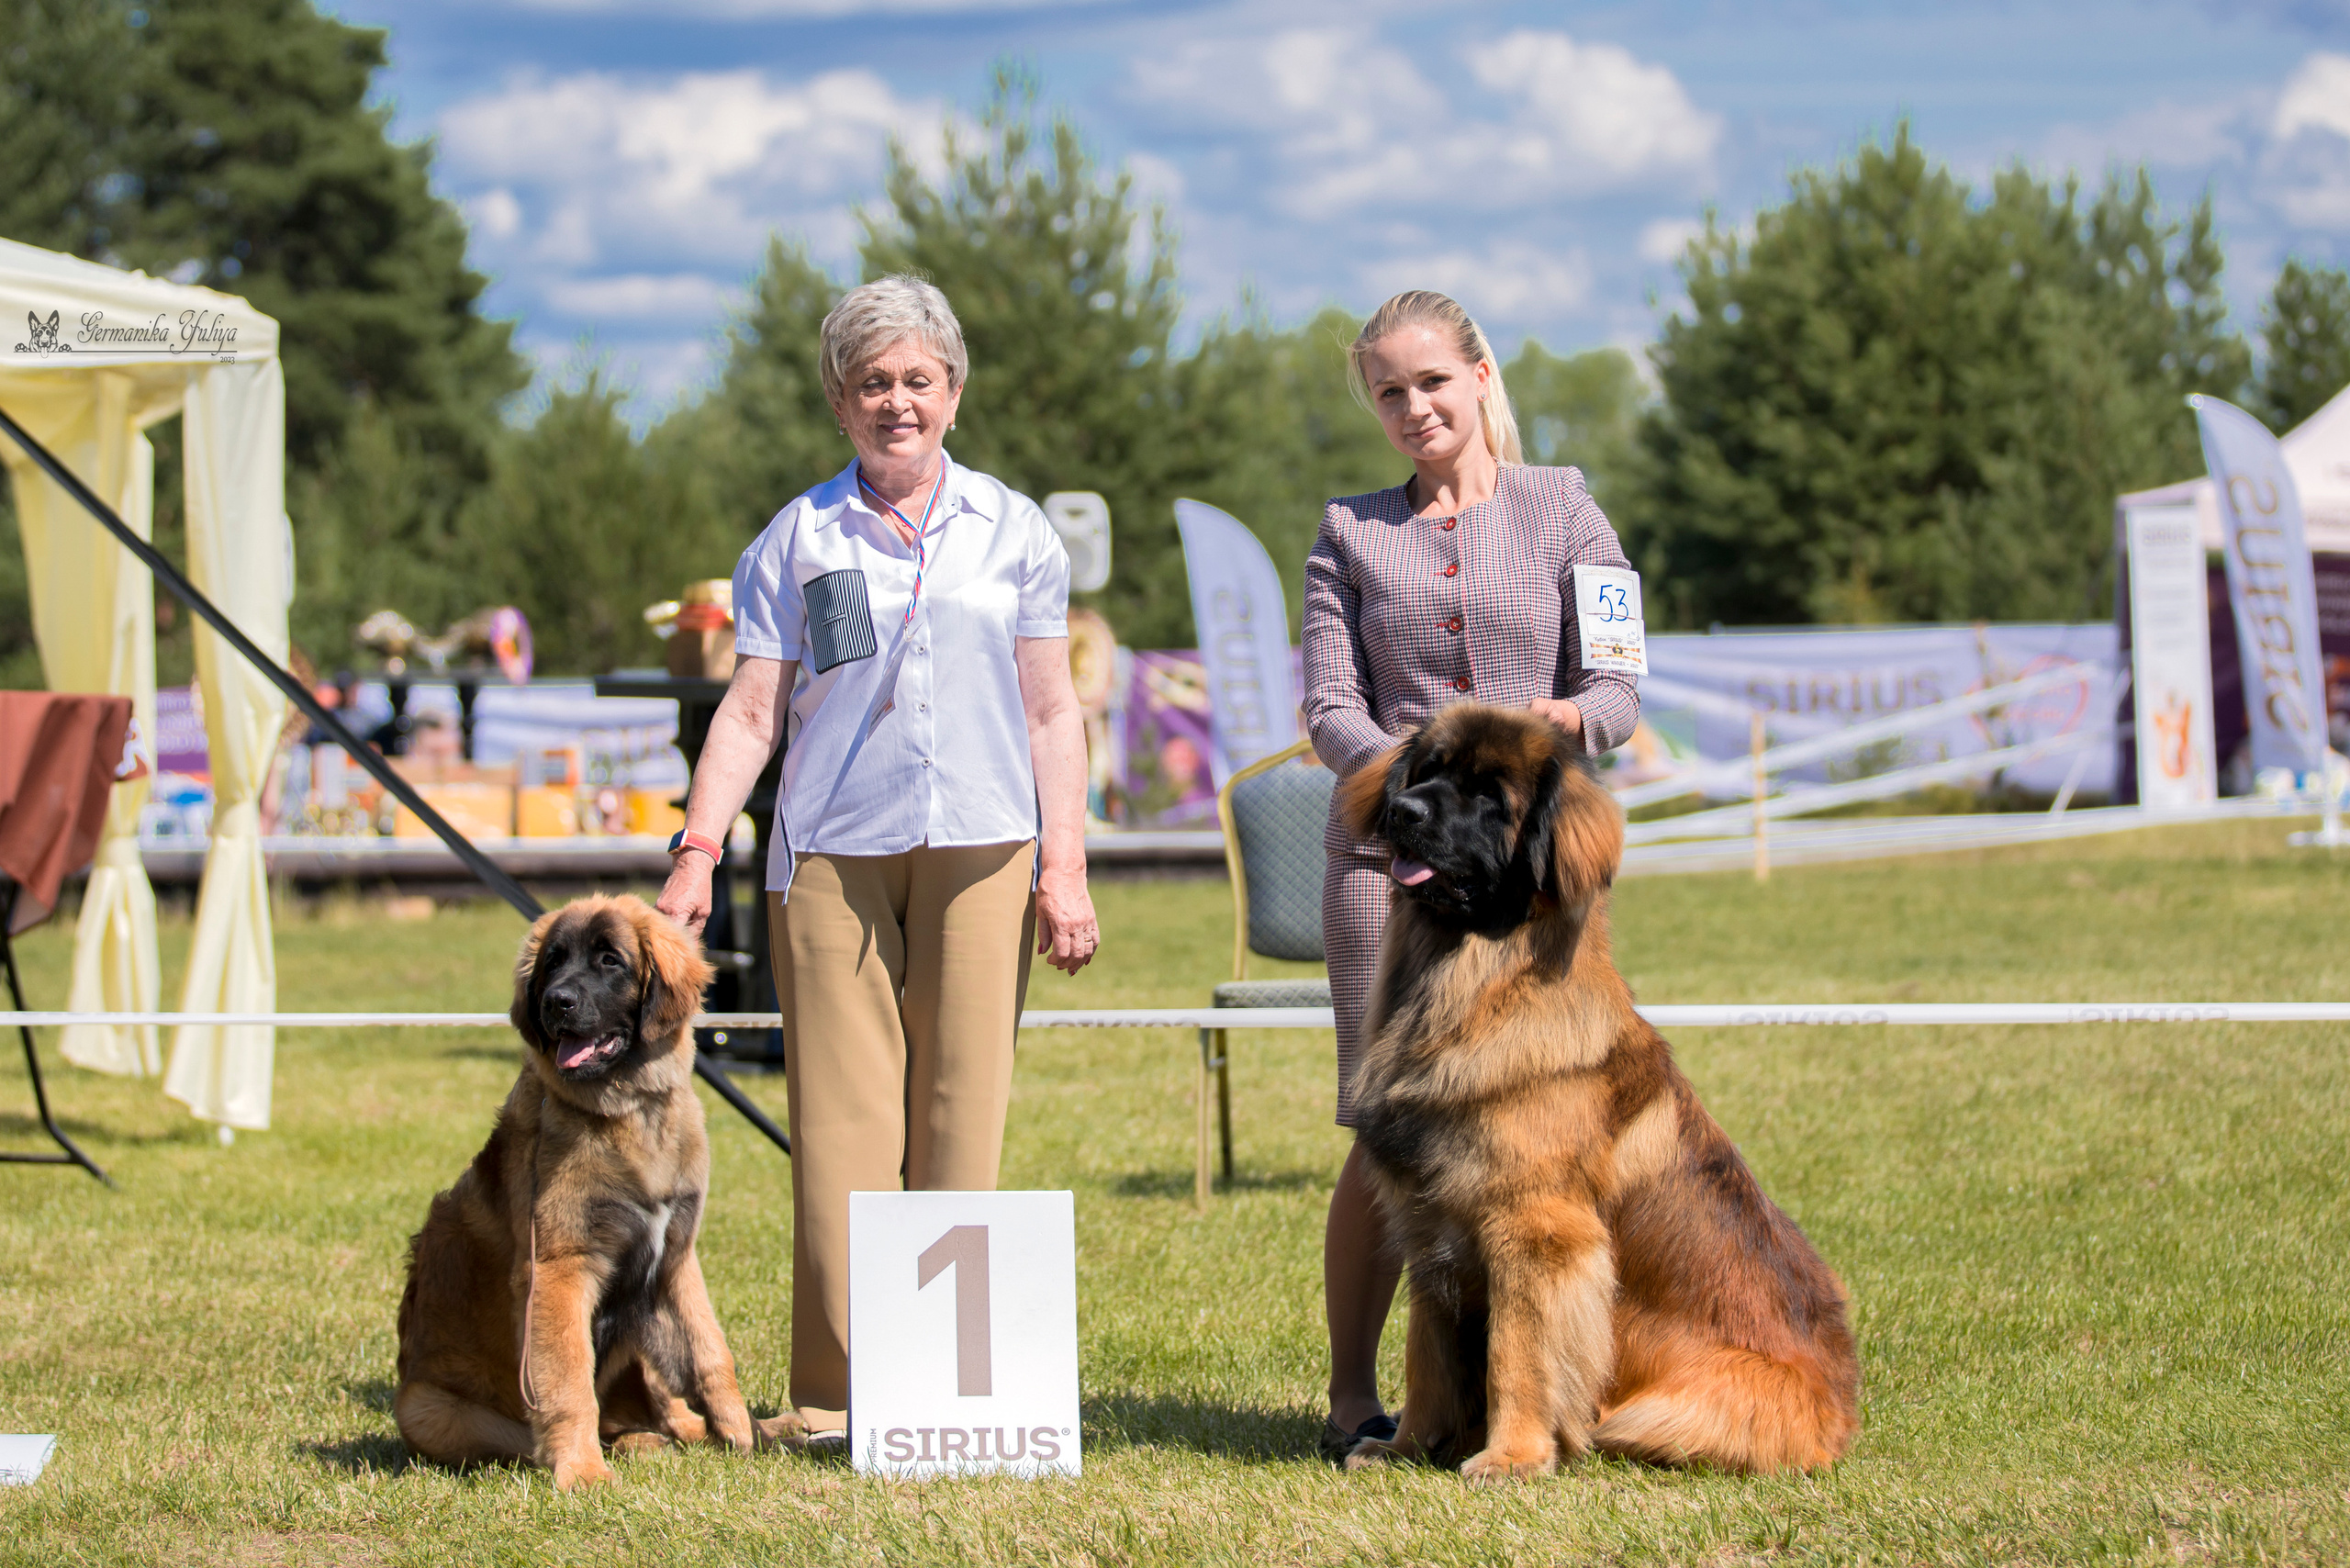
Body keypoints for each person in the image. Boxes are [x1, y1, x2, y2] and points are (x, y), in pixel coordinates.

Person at [655, 274, 1100, 1448]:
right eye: (871, 385)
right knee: (844, 1128)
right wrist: (698, 852)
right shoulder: (796, 537)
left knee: (962, 1115)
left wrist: (1066, 868)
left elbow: (1052, 712)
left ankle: (951, 1396)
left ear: (953, 392)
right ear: (839, 405)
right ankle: (837, 1395)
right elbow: (751, 715)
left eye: (916, 379)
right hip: (831, 855)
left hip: (988, 844)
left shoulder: (1015, 531)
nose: (895, 402)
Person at [1302, 289, 1642, 1463]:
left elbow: (1620, 685)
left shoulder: (1569, 506)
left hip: (1528, 881)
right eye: (1388, 392)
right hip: (1388, 869)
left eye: (1431, 382)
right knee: (1382, 1123)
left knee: (1532, 1135)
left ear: (1481, 372)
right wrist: (1418, 780)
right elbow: (1330, 707)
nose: (1412, 408)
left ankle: (1530, 1395)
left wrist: (1566, 723)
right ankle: (1357, 1394)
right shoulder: (1347, 530)